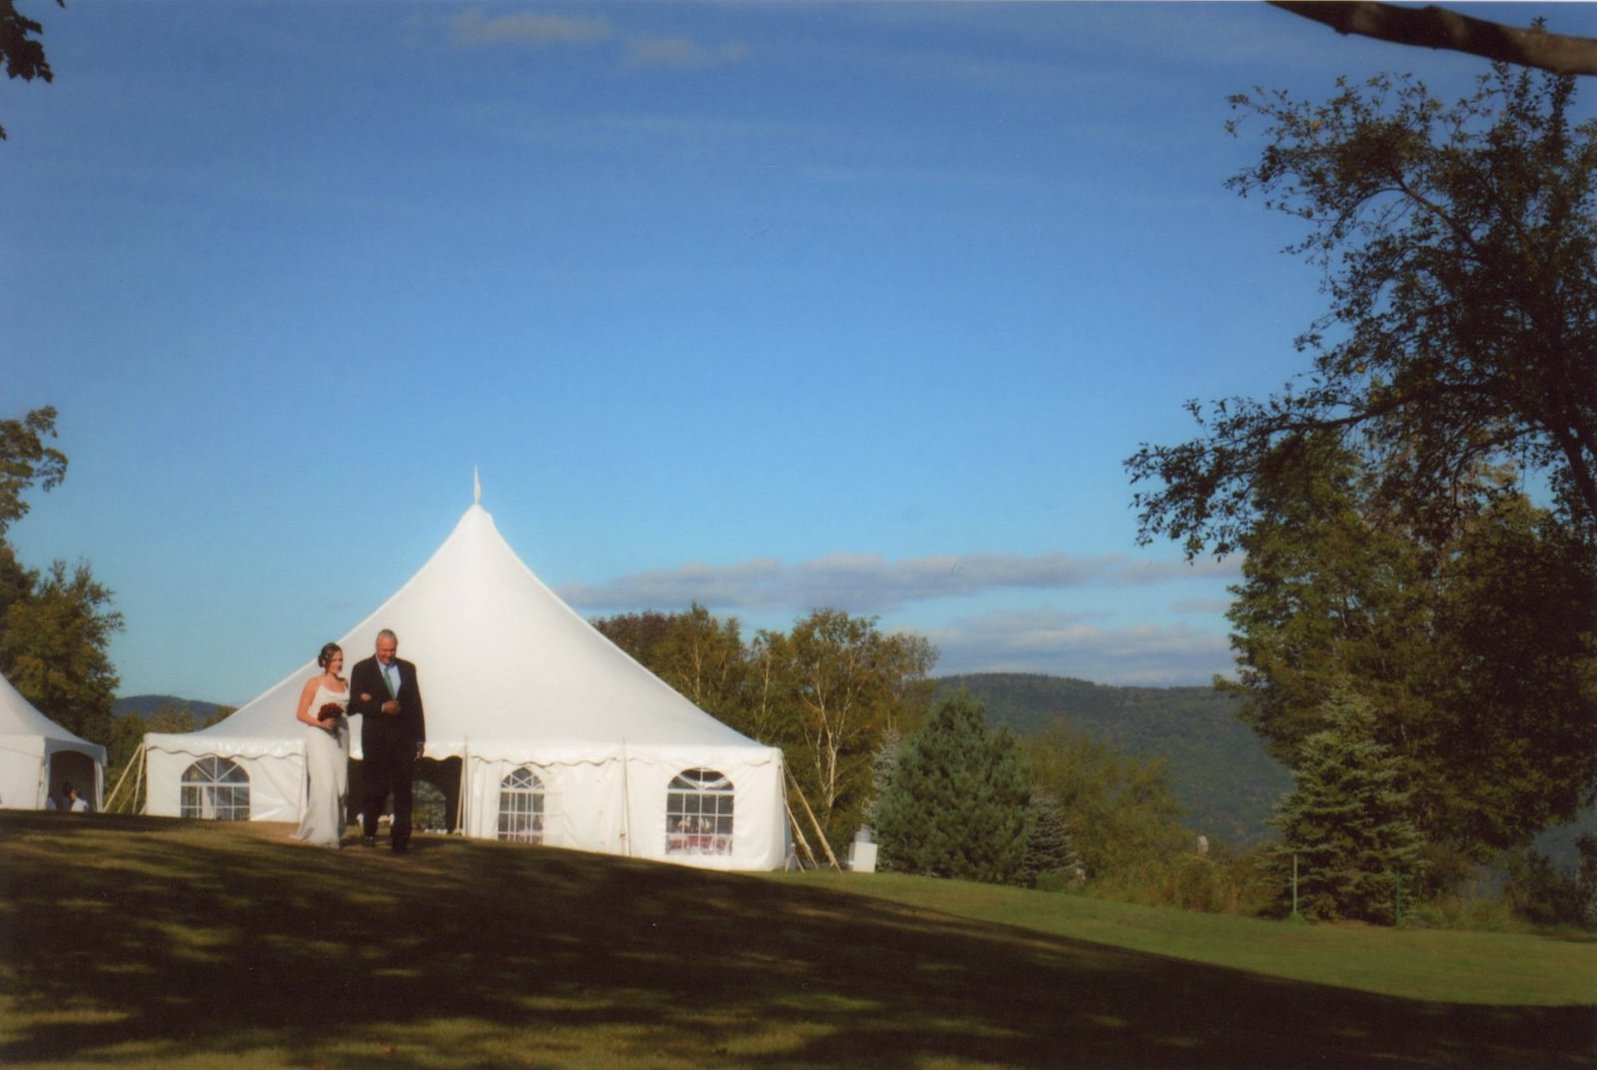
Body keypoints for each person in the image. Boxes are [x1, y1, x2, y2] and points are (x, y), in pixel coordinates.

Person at [348, 629, 425, 854]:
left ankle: (400, 839)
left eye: (392, 650)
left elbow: (415, 705)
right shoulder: (362, 669)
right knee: (376, 789)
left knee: (403, 790)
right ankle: (369, 829)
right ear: (376, 648)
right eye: (384, 651)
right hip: (376, 741)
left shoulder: (408, 669)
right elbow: (353, 705)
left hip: (404, 741)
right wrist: (380, 707)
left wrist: (420, 738)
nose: (388, 655)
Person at [292, 641, 350, 848]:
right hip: (319, 736)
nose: (338, 664)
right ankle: (326, 834)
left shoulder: (346, 683)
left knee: (341, 785)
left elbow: (348, 709)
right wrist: (321, 722)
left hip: (341, 735)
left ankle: (331, 826)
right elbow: (300, 713)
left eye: (340, 659)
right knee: (326, 783)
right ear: (325, 662)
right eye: (334, 660)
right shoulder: (314, 683)